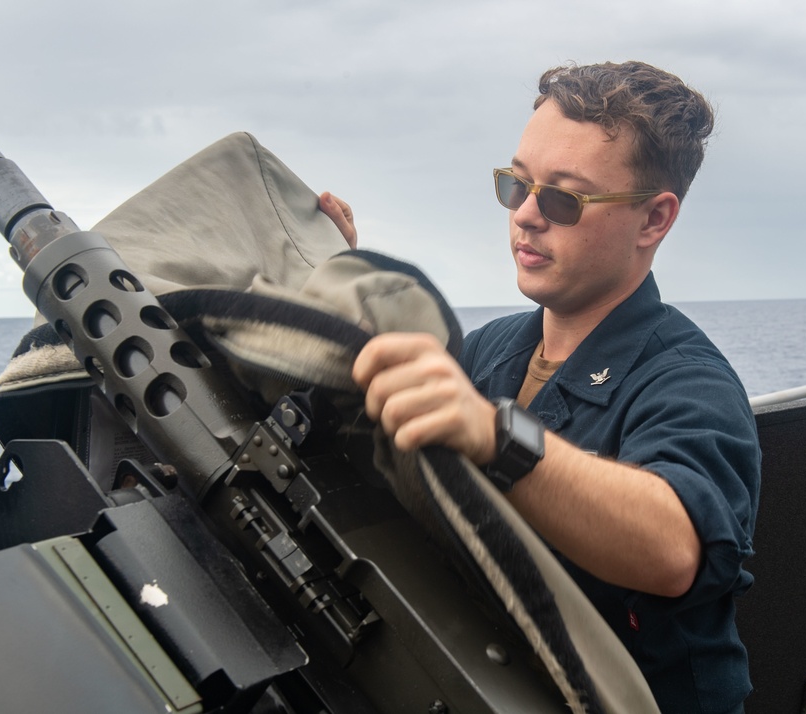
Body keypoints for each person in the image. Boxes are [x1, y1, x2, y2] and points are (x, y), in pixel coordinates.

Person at [322, 61, 760, 714]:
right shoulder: (493, 350)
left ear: (654, 220)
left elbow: (674, 546)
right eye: (517, 185)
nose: (526, 215)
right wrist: (337, 288)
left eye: (563, 198)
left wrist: (500, 437)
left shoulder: (690, 382)